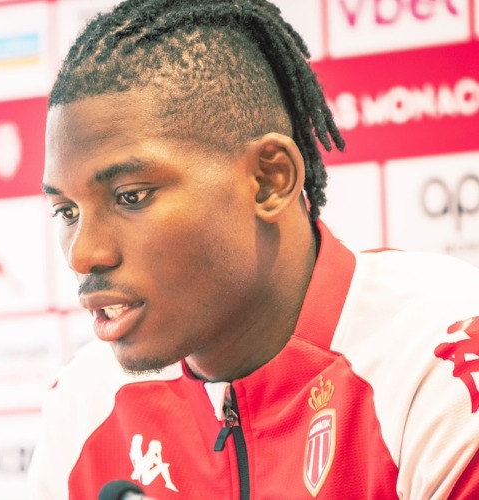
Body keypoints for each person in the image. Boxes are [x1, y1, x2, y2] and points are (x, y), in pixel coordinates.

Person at [28, 0, 479, 498]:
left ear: (269, 180)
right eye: (66, 211)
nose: (83, 256)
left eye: (130, 196)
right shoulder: (85, 405)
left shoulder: (440, 369)